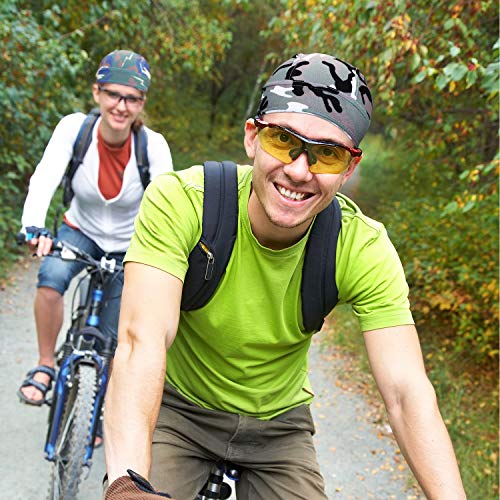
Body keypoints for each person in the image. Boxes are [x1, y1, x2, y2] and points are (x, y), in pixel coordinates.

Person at [103, 53, 466, 499]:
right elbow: (141, 343)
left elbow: (407, 393)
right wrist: (127, 484)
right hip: (179, 412)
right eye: (282, 141)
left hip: (278, 430)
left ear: (349, 168)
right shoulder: (183, 202)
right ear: (252, 137)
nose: (298, 170)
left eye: (326, 154)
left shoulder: (361, 247)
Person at [17, 49, 173, 410]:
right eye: (113, 94)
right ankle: (44, 365)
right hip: (80, 229)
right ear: (97, 93)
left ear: (141, 103)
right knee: (51, 278)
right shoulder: (75, 129)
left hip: (128, 243)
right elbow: (44, 179)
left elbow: (167, 211)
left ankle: (97, 404)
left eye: (132, 98)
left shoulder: (154, 148)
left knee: (112, 331)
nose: (121, 106)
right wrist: (34, 227)